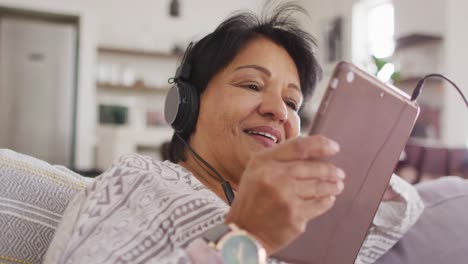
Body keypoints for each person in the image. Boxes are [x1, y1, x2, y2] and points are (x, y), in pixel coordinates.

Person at [44, 3, 423, 264]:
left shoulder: (298, 217)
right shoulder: (140, 182)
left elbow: (398, 211)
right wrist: (244, 234)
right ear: (186, 103)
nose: (278, 110)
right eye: (252, 86)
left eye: (292, 103)